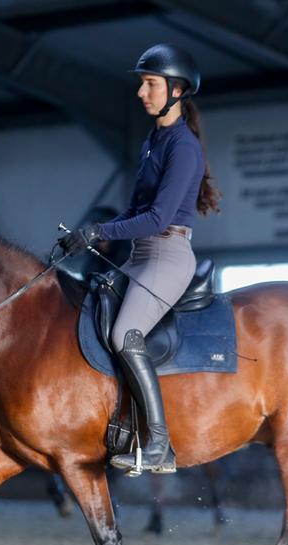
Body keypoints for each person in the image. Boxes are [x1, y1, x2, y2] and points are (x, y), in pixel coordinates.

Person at [59, 44, 221, 475]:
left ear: (176, 90)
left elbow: (158, 218)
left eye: (150, 84)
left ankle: (160, 446)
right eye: (143, 84)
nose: (141, 93)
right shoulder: (153, 140)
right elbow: (133, 211)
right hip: (140, 255)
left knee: (125, 333)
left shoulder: (183, 147)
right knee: (90, 309)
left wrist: (100, 232)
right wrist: (87, 236)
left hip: (168, 255)